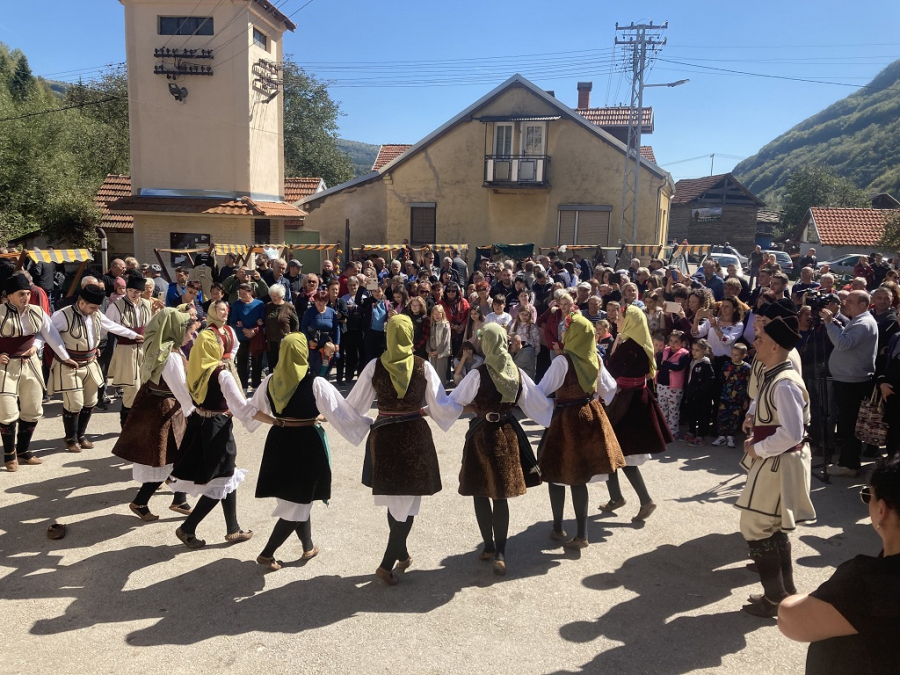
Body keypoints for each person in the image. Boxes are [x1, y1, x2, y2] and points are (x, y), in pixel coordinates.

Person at [344, 315, 457, 586]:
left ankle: (402, 554)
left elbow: (353, 406)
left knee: (396, 499)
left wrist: (355, 422)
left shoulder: (374, 366)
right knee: (407, 502)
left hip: (383, 435)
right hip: (413, 436)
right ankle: (386, 564)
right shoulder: (423, 367)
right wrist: (461, 404)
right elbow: (441, 405)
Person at [250, 333, 366, 570]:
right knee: (299, 501)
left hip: (279, 441)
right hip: (305, 444)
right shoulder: (315, 383)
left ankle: (307, 546)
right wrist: (367, 422)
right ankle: (267, 552)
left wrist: (276, 421)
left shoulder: (271, 380)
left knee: (298, 498)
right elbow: (339, 412)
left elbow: (251, 411)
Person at [778, 456, 900, 673]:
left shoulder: (869, 582)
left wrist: (815, 596)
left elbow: (789, 618)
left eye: (867, 496)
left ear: (882, 511)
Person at [447, 323, 550, 575]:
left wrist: (443, 410)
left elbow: (455, 402)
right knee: (500, 493)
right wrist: (555, 415)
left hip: (482, 433)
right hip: (508, 433)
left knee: (480, 490)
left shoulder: (477, 373)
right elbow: (535, 403)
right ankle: (500, 551)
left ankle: (491, 547)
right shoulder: (517, 373)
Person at [736, 314, 816, 618]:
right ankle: (784, 593)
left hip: (779, 461)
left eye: (761, 340)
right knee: (770, 524)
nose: (755, 342)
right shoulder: (776, 374)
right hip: (776, 459)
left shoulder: (784, 382)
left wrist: (758, 448)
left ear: (775, 346)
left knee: (755, 524)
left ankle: (775, 597)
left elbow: (793, 433)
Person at [169, 330, 274, 549]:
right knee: (222, 478)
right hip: (216, 429)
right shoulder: (221, 373)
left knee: (228, 473)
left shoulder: (194, 369)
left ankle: (233, 528)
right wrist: (274, 420)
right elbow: (242, 408)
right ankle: (188, 528)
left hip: (199, 424)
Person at [536, 314, 626, 548]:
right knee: (579, 477)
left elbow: (541, 391)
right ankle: (582, 534)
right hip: (589, 415)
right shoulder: (594, 356)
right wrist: (595, 400)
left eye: (567, 330)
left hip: (566, 419)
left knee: (556, 472)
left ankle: (558, 528)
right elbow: (611, 387)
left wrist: (549, 407)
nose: (563, 334)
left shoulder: (562, 362)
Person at [112, 308, 197, 520]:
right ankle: (142, 501)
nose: (191, 335)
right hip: (166, 409)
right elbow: (181, 388)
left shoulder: (157, 344)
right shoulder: (171, 356)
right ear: (177, 330)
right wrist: (194, 410)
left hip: (154, 404)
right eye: (189, 331)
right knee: (168, 456)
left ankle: (179, 499)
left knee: (173, 456)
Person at [49, 284, 142, 452]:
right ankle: (71, 438)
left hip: (91, 362)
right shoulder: (61, 316)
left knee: (90, 401)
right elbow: (49, 336)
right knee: (74, 403)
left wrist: (134, 335)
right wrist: (64, 356)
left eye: (97, 308)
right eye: (92, 307)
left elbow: (112, 326)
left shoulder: (96, 313)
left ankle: (81, 435)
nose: (95, 311)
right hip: (70, 365)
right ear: (82, 302)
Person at [602, 304, 673, 521]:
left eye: (621, 317)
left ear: (631, 321)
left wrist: (613, 350)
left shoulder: (629, 346)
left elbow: (610, 370)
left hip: (625, 404)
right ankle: (616, 497)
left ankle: (645, 500)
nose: (617, 320)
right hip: (635, 400)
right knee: (611, 451)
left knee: (621, 454)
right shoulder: (641, 343)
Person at [1, 273, 75, 471]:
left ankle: (23, 450)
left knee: (33, 408)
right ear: (9, 296)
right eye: (20, 294)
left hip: (30, 363)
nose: (26, 297)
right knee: (7, 410)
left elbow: (49, 334)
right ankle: (9, 455)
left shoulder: (37, 312)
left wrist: (41, 347)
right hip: (5, 367)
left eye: (27, 293)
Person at [821, 290, 878, 476]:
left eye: (851, 301)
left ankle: (849, 464)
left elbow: (844, 343)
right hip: (847, 380)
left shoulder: (863, 322)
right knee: (847, 424)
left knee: (848, 425)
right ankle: (848, 461)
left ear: (863, 304)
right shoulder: (859, 320)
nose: (845, 303)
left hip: (852, 383)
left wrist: (829, 323)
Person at [105, 274, 153, 427]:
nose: (133, 294)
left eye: (137, 292)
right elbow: (106, 324)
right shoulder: (117, 305)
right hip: (126, 349)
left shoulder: (147, 304)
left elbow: (151, 324)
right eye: (130, 290)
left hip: (144, 349)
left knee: (145, 387)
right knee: (131, 388)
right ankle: (126, 426)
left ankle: (138, 423)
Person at [712, 343, 752, 448]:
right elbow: (720, 380)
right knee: (722, 416)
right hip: (725, 396)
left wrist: (746, 400)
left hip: (739, 398)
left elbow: (748, 384)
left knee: (734, 418)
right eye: (732, 354)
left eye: (736, 355)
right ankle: (721, 436)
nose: (733, 357)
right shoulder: (727, 365)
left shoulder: (747, 368)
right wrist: (725, 376)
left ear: (744, 355)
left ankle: (730, 436)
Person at [229, 284, 266, 392]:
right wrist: (245, 330)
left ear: (250, 292)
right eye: (240, 294)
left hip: (256, 336)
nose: (242, 296)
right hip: (242, 336)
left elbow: (262, 321)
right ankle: (243, 385)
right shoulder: (236, 305)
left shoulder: (259, 304)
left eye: (244, 294)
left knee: (257, 361)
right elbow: (234, 321)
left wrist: (254, 330)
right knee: (242, 362)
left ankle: (256, 385)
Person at [655, 330, 691, 441]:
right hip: (661, 384)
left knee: (673, 410)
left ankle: (673, 432)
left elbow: (679, 367)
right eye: (671, 341)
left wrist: (667, 364)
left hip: (675, 387)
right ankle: (663, 431)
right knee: (662, 409)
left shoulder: (684, 354)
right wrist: (669, 366)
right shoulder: (664, 351)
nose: (673, 344)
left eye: (676, 341)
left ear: (682, 343)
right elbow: (659, 366)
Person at [683, 338, 716, 446]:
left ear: (704, 351)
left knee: (702, 415)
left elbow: (710, 380)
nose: (694, 352)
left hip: (701, 397)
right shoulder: (692, 361)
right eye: (693, 349)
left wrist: (700, 389)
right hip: (691, 393)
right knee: (691, 413)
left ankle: (700, 435)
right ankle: (691, 431)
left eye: (697, 350)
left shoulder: (705, 364)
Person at [264, 284, 299, 371]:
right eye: (271, 296)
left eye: (275, 296)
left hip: (284, 341)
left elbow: (296, 323)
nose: (273, 298)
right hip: (271, 341)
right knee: (272, 365)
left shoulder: (289, 307)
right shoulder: (268, 306)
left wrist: (293, 335)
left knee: (284, 365)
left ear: (281, 296)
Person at [508, 304, 541, 381]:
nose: (524, 316)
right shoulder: (514, 325)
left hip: (528, 350)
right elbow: (510, 336)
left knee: (528, 374)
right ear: (518, 314)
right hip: (516, 350)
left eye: (526, 315)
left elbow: (537, 340)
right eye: (522, 314)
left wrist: (535, 353)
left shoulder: (532, 326)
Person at [427, 304, 451, 386]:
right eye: (435, 314)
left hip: (441, 353)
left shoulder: (445, 325)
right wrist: (428, 350)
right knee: (434, 373)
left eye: (439, 313)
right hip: (433, 353)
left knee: (441, 374)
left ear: (442, 314)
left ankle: (441, 393)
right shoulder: (432, 325)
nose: (437, 316)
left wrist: (438, 351)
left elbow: (445, 341)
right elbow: (428, 339)